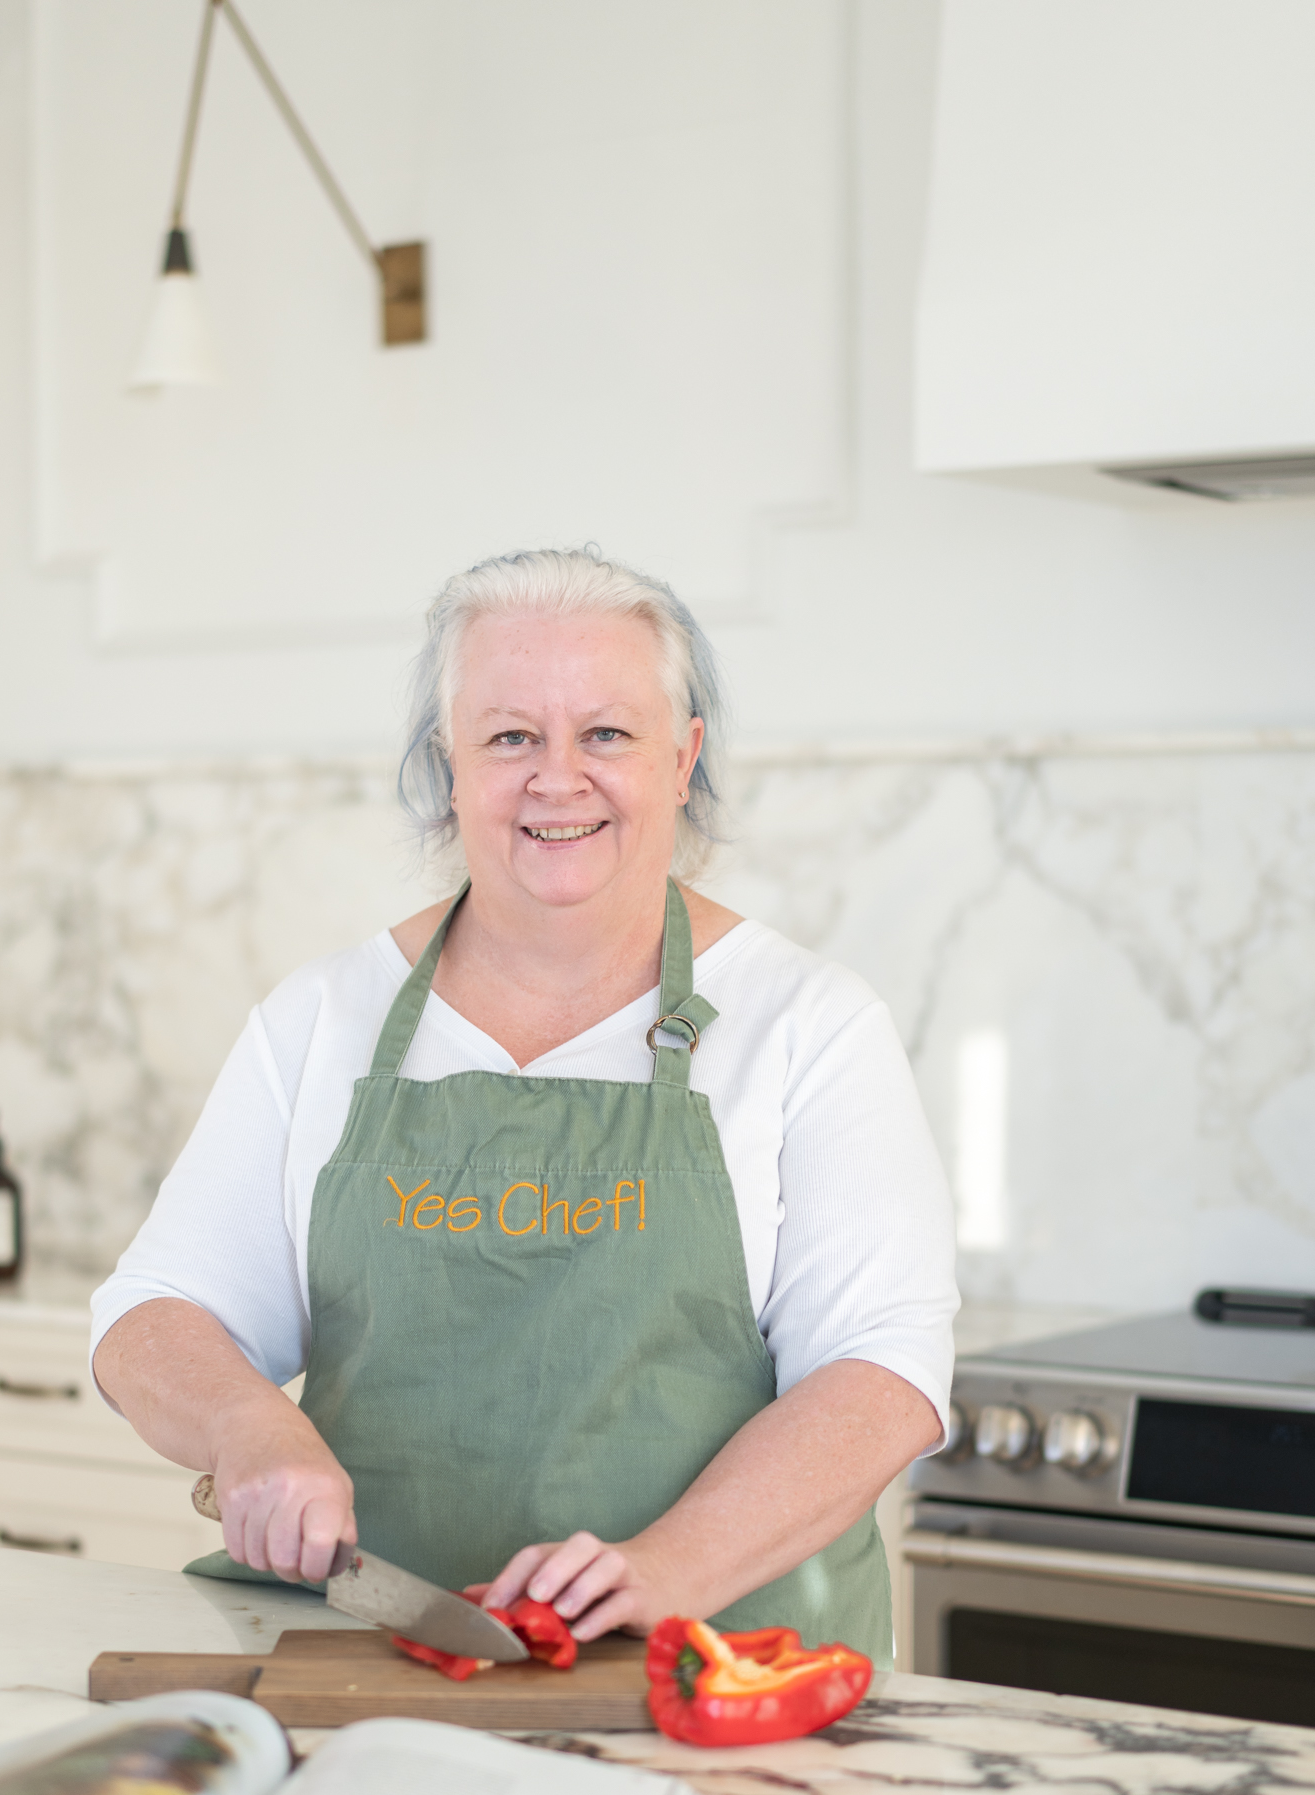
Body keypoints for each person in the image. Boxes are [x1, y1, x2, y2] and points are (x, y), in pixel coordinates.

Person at [91, 548, 957, 1663]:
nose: (558, 778)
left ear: (681, 757)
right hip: (371, 1667)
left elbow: (880, 1373)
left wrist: (667, 1570)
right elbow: (153, 1316)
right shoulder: (320, 1019)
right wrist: (247, 1424)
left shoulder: (810, 1024)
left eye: (606, 734)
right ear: (447, 765)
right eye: (509, 737)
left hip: (717, 1686)